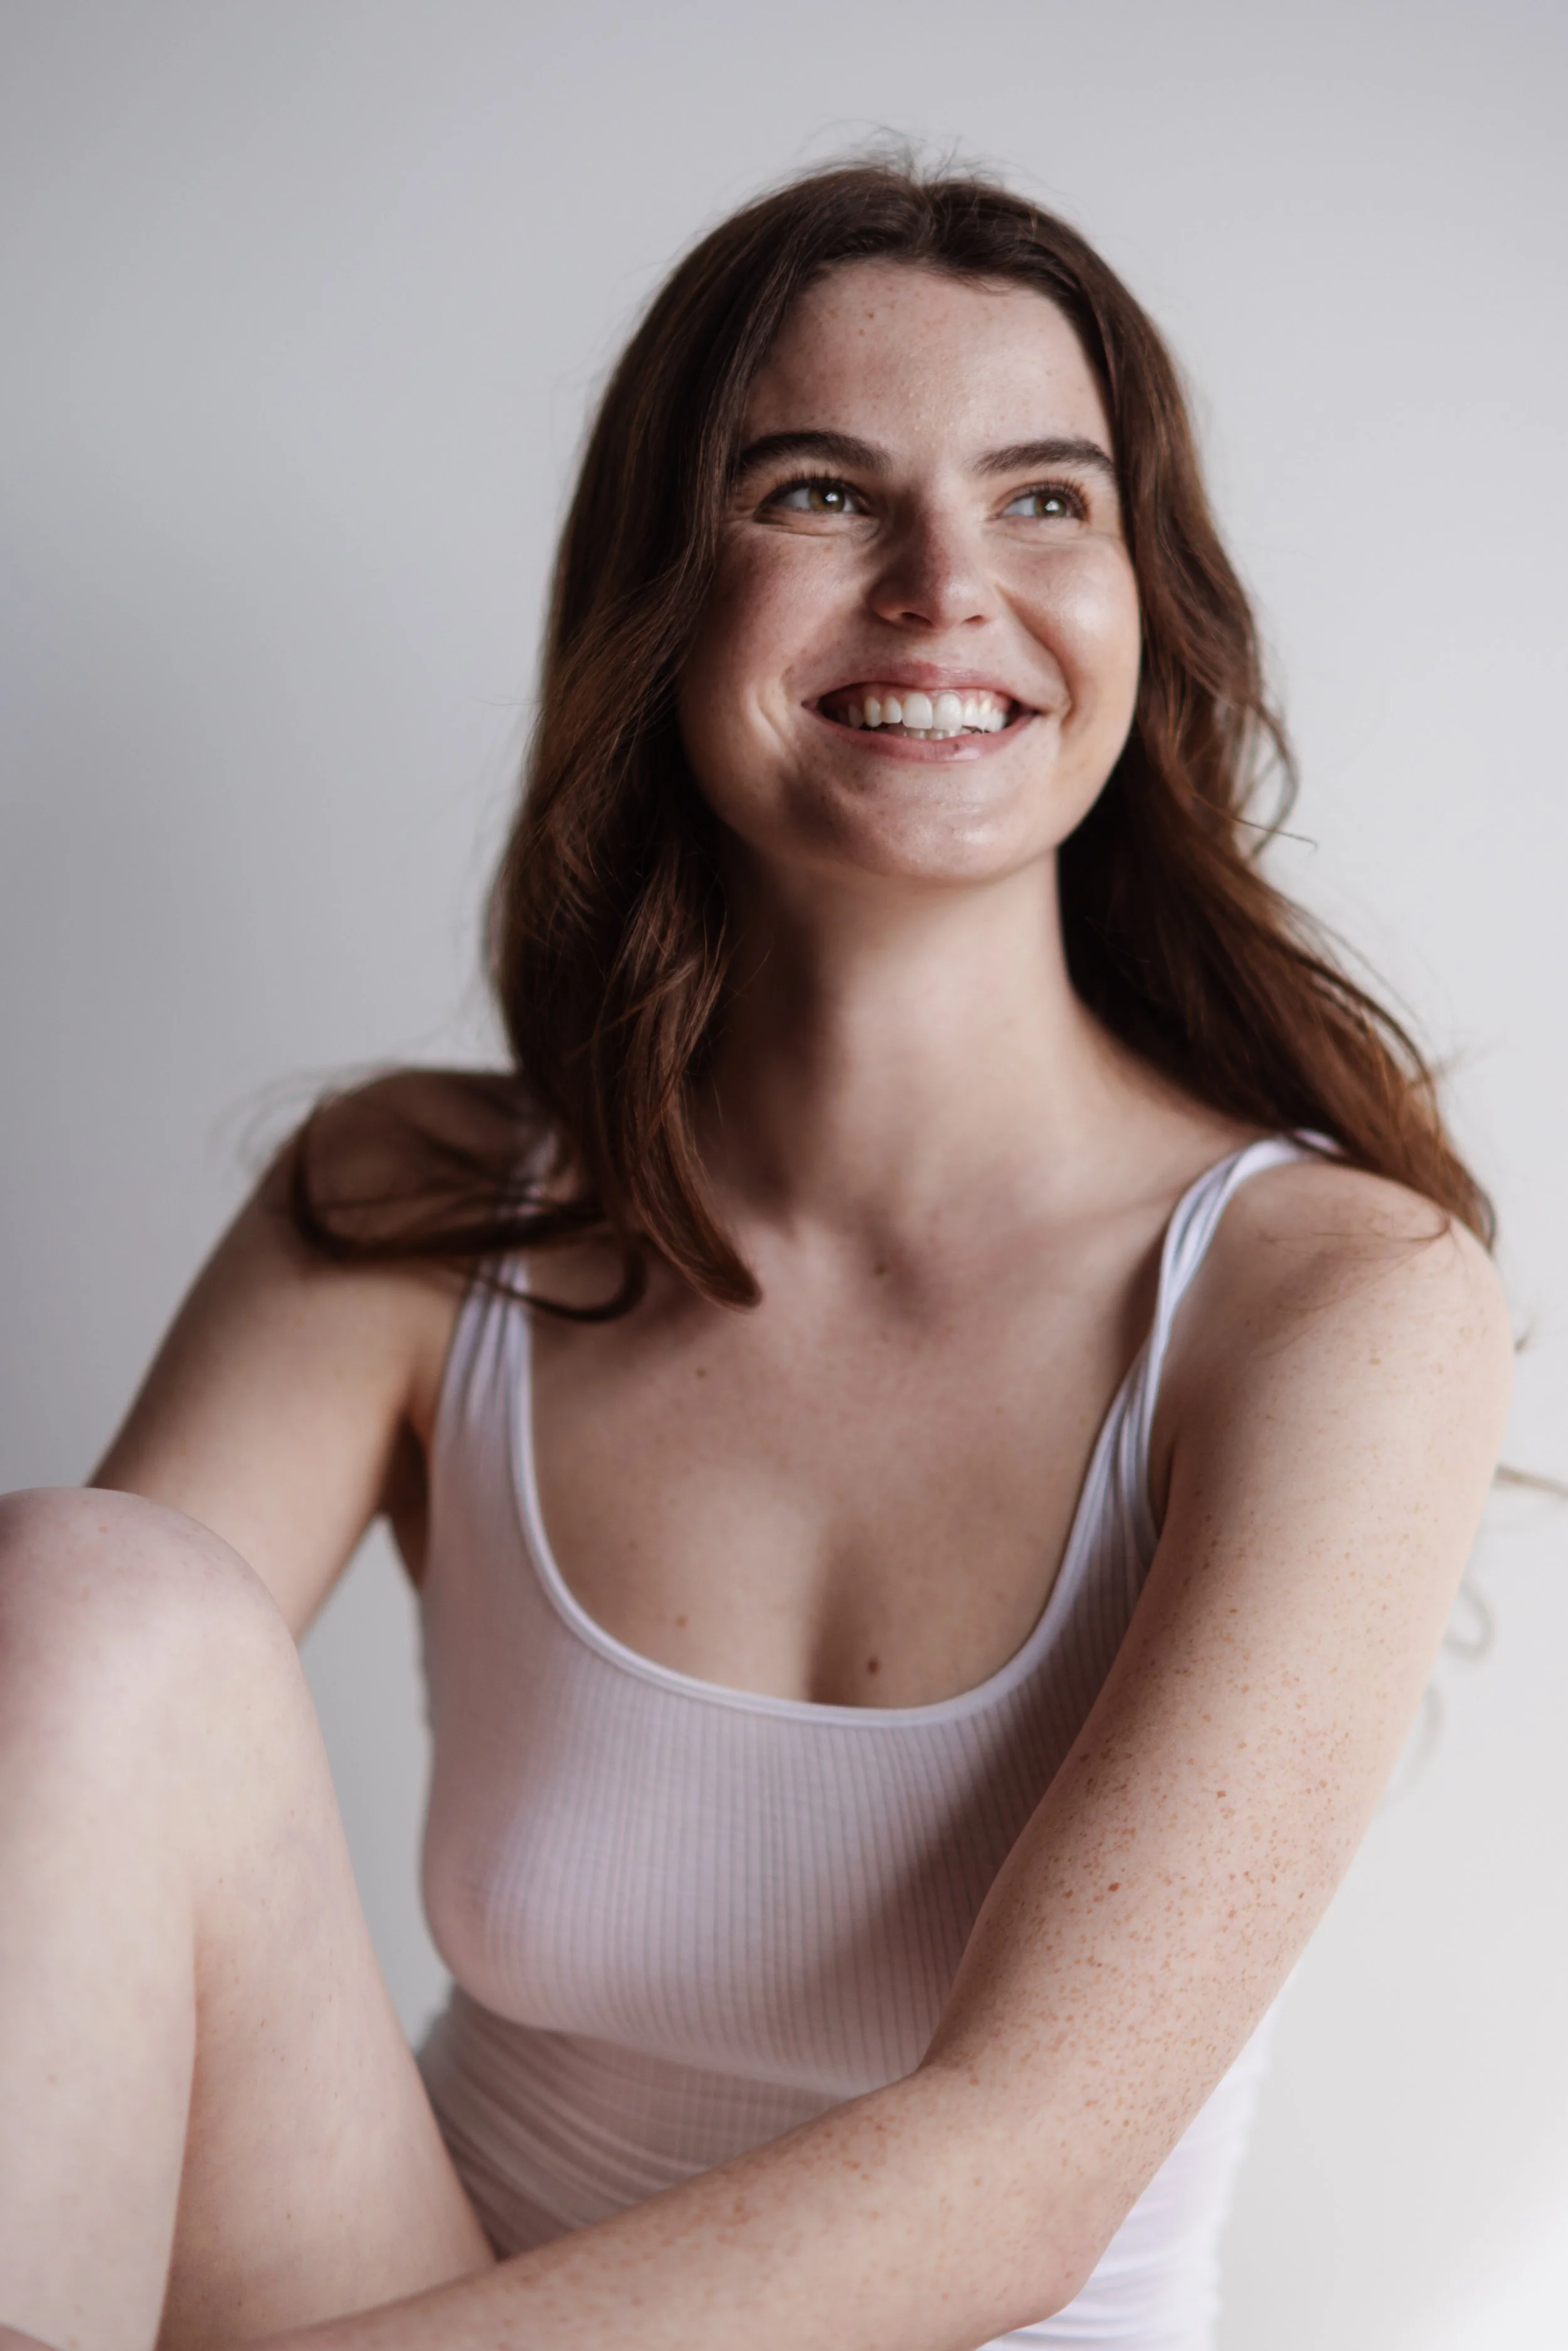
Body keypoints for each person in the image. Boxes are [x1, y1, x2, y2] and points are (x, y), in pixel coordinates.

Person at [0, 161, 1512, 2351]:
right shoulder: (418, 1215)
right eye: (818, 491)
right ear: (665, 582)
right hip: (408, 2292)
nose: (937, 588)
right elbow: (52, 1822)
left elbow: (1017, 2175)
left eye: (1042, 502)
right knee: (91, 1595)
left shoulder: (1332, 1306)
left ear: (1141, 605)